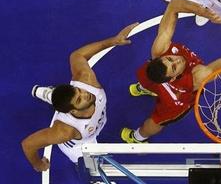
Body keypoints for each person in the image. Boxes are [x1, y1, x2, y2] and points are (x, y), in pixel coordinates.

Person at [121, 0, 221, 143]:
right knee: (158, 121)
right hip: (174, 100)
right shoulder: (197, 77)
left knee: (146, 76)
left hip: (152, 78)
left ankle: (142, 88)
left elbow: (174, 5)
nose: (177, 60)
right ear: (173, 78)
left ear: (159, 58)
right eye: (174, 67)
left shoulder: (159, 50)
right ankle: (137, 137)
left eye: (169, 59)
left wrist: (202, 11)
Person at [21, 23, 138, 171]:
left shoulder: (86, 80)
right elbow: (28, 144)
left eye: (78, 91)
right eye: (79, 99)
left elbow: (77, 55)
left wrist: (113, 41)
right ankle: (48, 94)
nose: (85, 94)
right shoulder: (65, 131)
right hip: (80, 144)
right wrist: (38, 165)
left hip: (88, 121)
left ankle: (48, 93)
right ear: (73, 111)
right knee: (94, 168)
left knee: (61, 96)